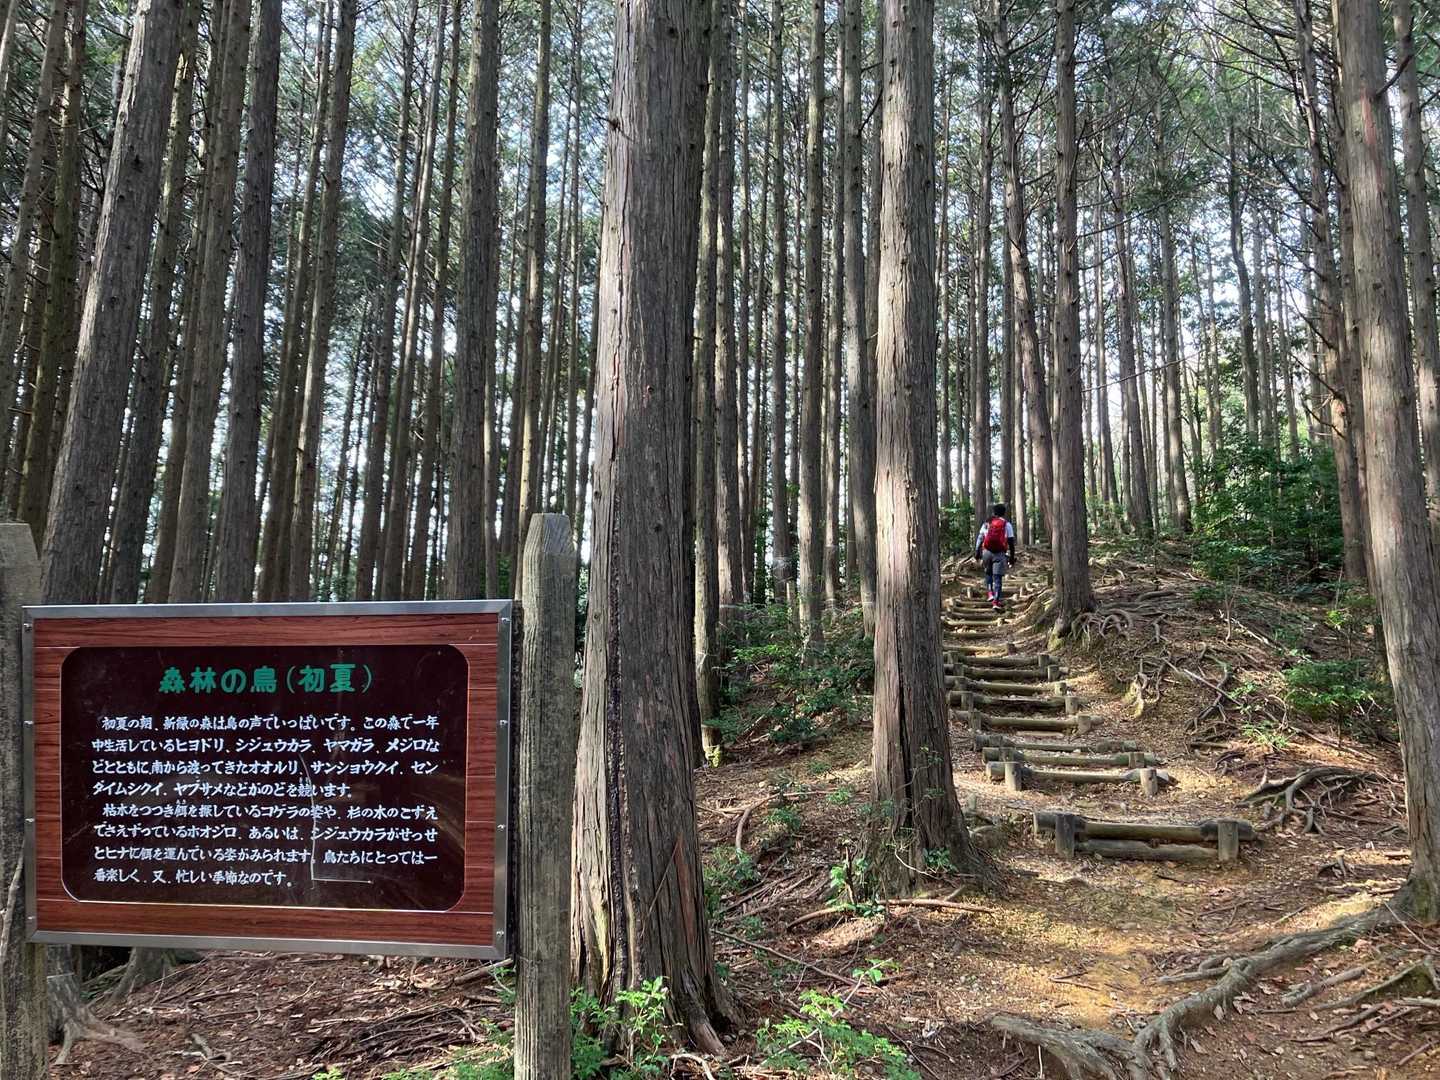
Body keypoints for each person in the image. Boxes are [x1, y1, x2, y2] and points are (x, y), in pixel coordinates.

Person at [974, 503, 1018, 610]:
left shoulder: (987, 523)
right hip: (1000, 553)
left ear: (994, 512)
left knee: (988, 573)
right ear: (1004, 513)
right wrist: (1012, 558)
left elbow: (980, 538)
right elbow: (1011, 543)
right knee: (998, 578)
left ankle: (990, 593)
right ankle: (996, 602)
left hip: (987, 552)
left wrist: (977, 552)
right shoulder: (1007, 524)